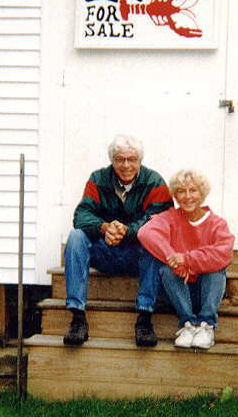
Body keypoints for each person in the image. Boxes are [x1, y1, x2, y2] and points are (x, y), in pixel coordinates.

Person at [63, 134, 173, 347]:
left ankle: (144, 318)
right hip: (106, 251)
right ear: (112, 160)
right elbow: (81, 214)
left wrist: (128, 230)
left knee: (155, 241)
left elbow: (161, 219)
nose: (126, 165)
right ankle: (77, 318)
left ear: (140, 160)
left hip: (137, 254)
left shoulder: (154, 182)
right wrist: (104, 227)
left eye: (131, 159)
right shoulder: (98, 179)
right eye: (120, 159)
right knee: (76, 237)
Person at [138, 169, 235, 349]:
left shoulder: (217, 223)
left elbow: (223, 253)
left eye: (193, 190)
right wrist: (173, 258)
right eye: (181, 191)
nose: (188, 196)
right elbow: (146, 232)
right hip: (178, 291)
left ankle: (207, 325)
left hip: (206, 291)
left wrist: (186, 259)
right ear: (175, 195)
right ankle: (187, 324)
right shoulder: (170, 217)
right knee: (167, 269)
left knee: (215, 268)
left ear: (202, 193)